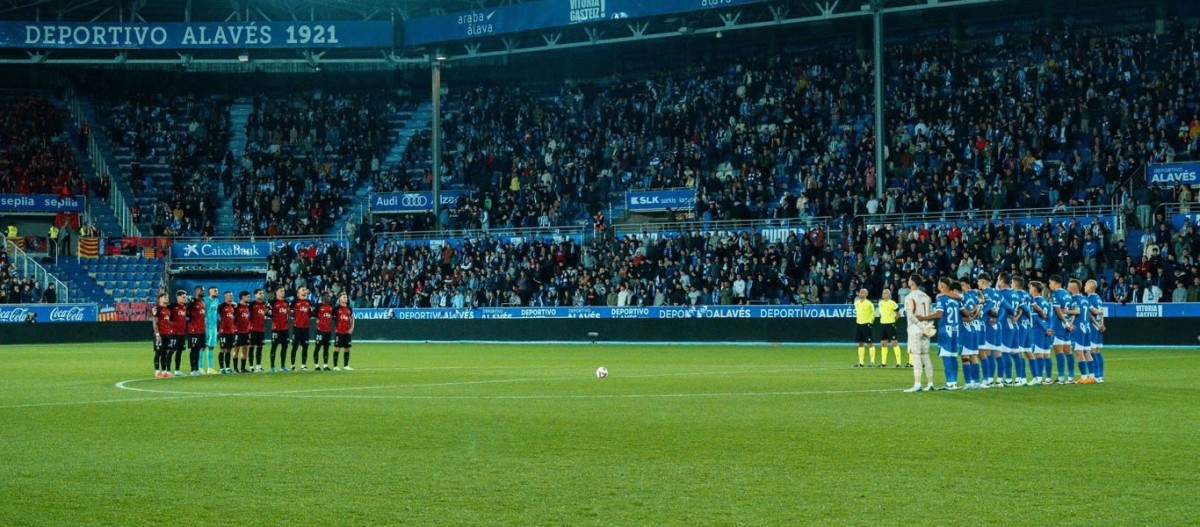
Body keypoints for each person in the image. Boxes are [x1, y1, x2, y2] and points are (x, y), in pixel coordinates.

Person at [918, 277, 960, 390]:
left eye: (938, 284)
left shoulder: (941, 298)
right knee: (953, 357)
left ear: (942, 285)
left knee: (946, 357)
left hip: (945, 331)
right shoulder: (955, 299)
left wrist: (924, 318)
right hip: (955, 330)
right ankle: (954, 382)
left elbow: (939, 314)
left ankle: (950, 383)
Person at [903, 275, 936, 392]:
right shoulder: (927, 297)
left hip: (915, 330)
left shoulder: (909, 297)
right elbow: (932, 313)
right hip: (926, 330)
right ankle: (930, 383)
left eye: (909, 280)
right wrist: (928, 326)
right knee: (926, 356)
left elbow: (910, 315)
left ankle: (917, 384)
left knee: (916, 357)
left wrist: (921, 325)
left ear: (912, 283)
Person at [1048, 276, 1075, 383]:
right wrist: (1069, 323)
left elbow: (1058, 312)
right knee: (1068, 352)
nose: (1049, 285)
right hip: (1066, 326)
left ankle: (1061, 378)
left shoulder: (1056, 294)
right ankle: (1071, 377)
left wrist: (1065, 323)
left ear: (1055, 283)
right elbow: (1074, 311)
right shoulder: (1067, 294)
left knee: (1059, 352)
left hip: (1058, 326)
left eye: (1050, 283)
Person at [1069, 279, 1096, 384]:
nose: (1067, 287)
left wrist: (1065, 312)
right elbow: (1093, 311)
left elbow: (1076, 312)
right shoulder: (1085, 299)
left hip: (1078, 328)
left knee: (1079, 353)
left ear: (1074, 288)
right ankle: (1092, 377)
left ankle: (1084, 378)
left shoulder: (1074, 299)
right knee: (1087, 352)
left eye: (1069, 286)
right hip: (1087, 327)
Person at [1028, 280, 1053, 386]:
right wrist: (1049, 328)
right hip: (1046, 331)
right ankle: (1047, 378)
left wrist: (1044, 328)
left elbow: (1036, 318)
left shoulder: (1035, 302)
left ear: (1034, 289)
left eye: (1030, 287)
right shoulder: (1045, 302)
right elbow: (1049, 318)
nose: (1029, 289)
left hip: (1038, 330)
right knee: (1046, 354)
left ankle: (1038, 378)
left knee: (1038, 354)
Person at [976, 274, 1000, 388]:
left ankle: (988, 379)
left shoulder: (986, 293)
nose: (978, 284)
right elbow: (1006, 307)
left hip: (986, 325)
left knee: (985, 353)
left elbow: (989, 304)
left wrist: (982, 312)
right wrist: (997, 318)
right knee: (989, 353)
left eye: (979, 282)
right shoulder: (996, 292)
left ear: (983, 282)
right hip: (993, 324)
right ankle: (990, 379)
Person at [958, 279, 982, 389]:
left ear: (966, 285)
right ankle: (976, 382)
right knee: (973, 356)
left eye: (961, 285)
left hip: (966, 329)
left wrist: (969, 318)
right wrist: (973, 316)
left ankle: (968, 383)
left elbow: (965, 316)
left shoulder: (963, 298)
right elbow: (978, 308)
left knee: (965, 357)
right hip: (974, 328)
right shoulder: (974, 296)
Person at [1011, 276, 1034, 386]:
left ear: (1015, 284)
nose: (1011, 285)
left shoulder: (1017, 294)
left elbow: (1023, 308)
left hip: (1020, 326)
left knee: (1018, 352)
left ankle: (1021, 378)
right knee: (1028, 352)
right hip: (1027, 325)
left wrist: (1017, 316)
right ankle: (1036, 377)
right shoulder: (1027, 294)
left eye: (1012, 283)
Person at [1085, 279, 1106, 383]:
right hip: (1098, 328)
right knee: (1097, 352)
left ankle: (1095, 376)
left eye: (1086, 285)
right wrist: (1102, 324)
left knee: (1092, 352)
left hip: (1093, 328)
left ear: (1090, 287)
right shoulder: (1098, 298)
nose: (1084, 286)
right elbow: (1101, 313)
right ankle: (1100, 376)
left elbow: (1090, 315)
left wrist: (1097, 325)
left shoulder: (1089, 299)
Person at [877, 289, 903, 367]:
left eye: (886, 293)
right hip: (883, 325)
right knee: (883, 343)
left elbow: (898, 314)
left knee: (894, 343)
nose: (884, 294)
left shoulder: (892, 303)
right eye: (883, 293)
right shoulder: (880, 303)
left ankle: (898, 362)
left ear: (889, 294)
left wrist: (893, 321)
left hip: (890, 325)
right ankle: (883, 363)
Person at [290, 286, 313, 371]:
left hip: (306, 328)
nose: (304, 290)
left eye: (305, 289)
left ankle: (303, 365)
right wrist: (295, 316)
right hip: (297, 328)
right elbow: (289, 311)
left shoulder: (308, 302)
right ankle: (292, 365)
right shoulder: (294, 301)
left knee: (305, 347)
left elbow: (310, 313)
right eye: (302, 289)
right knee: (295, 346)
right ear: (298, 293)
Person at [852, 288, 878, 367]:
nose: (861, 293)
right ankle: (861, 362)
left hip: (866, 324)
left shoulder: (869, 303)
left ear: (866, 294)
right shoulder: (856, 303)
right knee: (860, 343)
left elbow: (873, 314)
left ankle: (872, 362)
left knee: (870, 343)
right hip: (859, 324)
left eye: (863, 292)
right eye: (860, 292)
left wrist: (870, 322)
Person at [268, 287, 291, 372]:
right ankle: (272, 367)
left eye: (284, 291)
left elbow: (288, 312)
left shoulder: (286, 302)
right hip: (276, 328)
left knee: (285, 347)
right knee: (274, 347)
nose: (283, 292)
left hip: (285, 328)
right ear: (276, 292)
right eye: (281, 291)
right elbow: (267, 311)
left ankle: (283, 366)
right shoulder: (273, 302)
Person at [151, 293, 173, 379]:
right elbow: (154, 322)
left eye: (167, 297)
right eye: (165, 297)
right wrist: (157, 334)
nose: (167, 299)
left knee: (164, 353)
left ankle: (164, 372)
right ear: (160, 299)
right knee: (158, 352)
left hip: (166, 334)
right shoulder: (157, 309)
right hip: (159, 335)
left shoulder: (167, 310)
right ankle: (157, 372)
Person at [168, 290, 189, 377]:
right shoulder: (172, 306)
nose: (185, 299)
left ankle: (177, 370)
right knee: (171, 351)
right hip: (173, 333)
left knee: (180, 351)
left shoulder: (185, 307)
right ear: (178, 297)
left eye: (185, 297)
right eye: (183, 297)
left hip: (182, 333)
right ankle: (167, 370)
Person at [187, 286, 207, 376]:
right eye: (201, 290)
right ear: (197, 291)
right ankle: (192, 369)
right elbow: (187, 312)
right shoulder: (192, 302)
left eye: (203, 290)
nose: (203, 292)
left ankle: (197, 368)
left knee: (199, 349)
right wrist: (189, 302)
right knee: (194, 349)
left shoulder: (203, 302)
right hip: (194, 330)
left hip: (201, 330)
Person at [333, 292, 355, 371]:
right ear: (339, 298)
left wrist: (352, 328)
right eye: (343, 297)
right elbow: (331, 318)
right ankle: (335, 366)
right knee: (337, 348)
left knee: (347, 348)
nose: (345, 298)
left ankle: (346, 365)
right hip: (339, 331)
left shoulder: (349, 308)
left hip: (347, 332)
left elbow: (352, 318)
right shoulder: (336, 308)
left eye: (346, 297)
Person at [217, 291, 237, 374]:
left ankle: (228, 368)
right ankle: (222, 368)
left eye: (232, 295)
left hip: (231, 331)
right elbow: (215, 314)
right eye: (229, 295)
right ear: (225, 296)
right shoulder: (221, 306)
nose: (231, 297)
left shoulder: (232, 307)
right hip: (223, 331)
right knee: (222, 349)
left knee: (229, 349)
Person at [248, 289, 268, 372]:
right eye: (260, 293)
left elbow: (265, 313)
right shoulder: (251, 304)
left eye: (262, 293)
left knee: (260, 347)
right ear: (255, 295)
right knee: (251, 347)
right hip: (253, 329)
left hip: (261, 329)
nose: (261, 294)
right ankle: (251, 366)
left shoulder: (264, 304)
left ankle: (258, 366)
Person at [314, 293, 335, 371]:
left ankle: (325, 365)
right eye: (328, 296)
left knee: (326, 348)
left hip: (328, 330)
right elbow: (314, 314)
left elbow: (332, 315)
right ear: (323, 297)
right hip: (320, 330)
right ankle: (316, 366)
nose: (329, 297)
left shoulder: (331, 306)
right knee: (318, 347)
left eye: (329, 296)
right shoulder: (318, 306)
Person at [203, 286, 219, 374]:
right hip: (206, 326)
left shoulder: (216, 301)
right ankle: (200, 368)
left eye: (217, 291)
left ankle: (210, 368)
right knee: (203, 347)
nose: (217, 292)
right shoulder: (205, 300)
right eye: (215, 291)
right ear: (210, 292)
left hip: (213, 327)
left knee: (211, 347)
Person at [235, 291, 252, 373]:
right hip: (238, 331)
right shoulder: (237, 306)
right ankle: (235, 368)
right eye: (248, 296)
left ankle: (242, 368)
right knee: (236, 349)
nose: (249, 298)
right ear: (242, 297)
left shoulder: (248, 307)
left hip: (246, 331)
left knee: (245, 349)